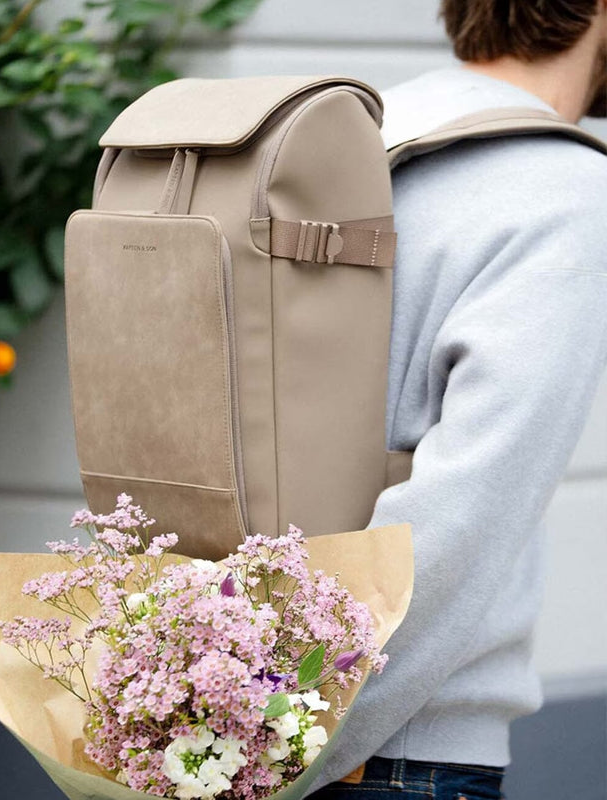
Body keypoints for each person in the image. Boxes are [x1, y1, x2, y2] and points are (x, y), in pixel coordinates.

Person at [306, 1, 607, 797]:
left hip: (233, 706)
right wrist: (288, 747)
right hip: (396, 751)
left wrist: (230, 728)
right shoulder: (564, 183)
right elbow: (465, 511)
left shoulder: (361, 131)